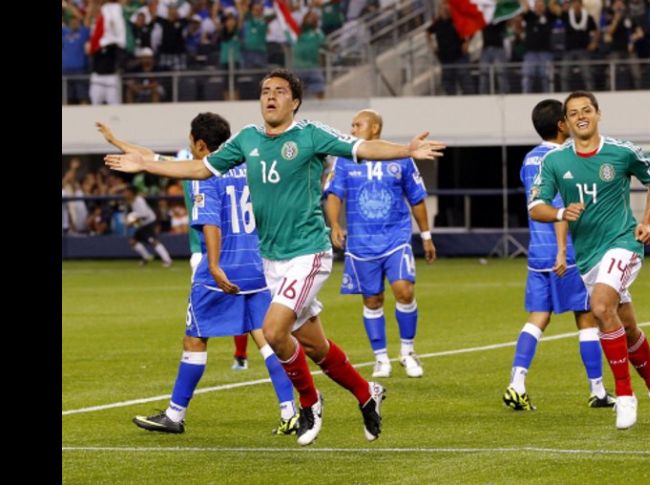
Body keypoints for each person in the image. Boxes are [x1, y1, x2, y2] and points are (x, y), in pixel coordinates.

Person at [104, 68, 445, 446]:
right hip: (271, 260)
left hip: (308, 253)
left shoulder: (310, 134)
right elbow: (200, 167)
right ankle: (367, 393)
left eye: (280, 91)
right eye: (266, 90)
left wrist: (406, 150)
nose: (270, 96)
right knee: (314, 346)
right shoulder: (247, 139)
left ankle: (309, 403)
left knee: (273, 331)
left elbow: (362, 148)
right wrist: (146, 165)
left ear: (294, 102)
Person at [119, 112, 300, 435]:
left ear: (200, 144)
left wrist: (214, 266)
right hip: (257, 267)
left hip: (222, 270)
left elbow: (211, 223)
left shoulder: (206, 174)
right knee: (267, 338)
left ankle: (175, 414)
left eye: (191, 141)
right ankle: (290, 410)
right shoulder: (251, 168)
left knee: (195, 337)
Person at [528, 90, 650, 430]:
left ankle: (624, 395)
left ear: (598, 114)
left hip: (624, 243)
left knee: (601, 307)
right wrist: (561, 212)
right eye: (573, 113)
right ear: (565, 123)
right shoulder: (555, 161)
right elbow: (536, 206)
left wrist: (647, 221)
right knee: (627, 327)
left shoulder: (622, 152)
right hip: (589, 255)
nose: (581, 116)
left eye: (587, 110)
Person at [97, 122, 250, 371]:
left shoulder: (191, 168)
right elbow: (147, 156)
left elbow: (148, 157)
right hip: (245, 250)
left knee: (197, 330)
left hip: (206, 251)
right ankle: (252, 362)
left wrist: (116, 142)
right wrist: (115, 141)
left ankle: (186, 393)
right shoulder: (241, 166)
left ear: (200, 144)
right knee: (252, 312)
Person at [503, 99, 614, 412]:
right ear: (561, 124)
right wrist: (563, 250)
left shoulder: (529, 159)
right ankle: (597, 390)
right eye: (569, 116)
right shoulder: (564, 158)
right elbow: (560, 207)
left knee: (538, 316)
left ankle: (516, 384)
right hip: (567, 253)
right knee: (586, 317)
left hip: (537, 251)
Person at [324, 109, 437, 380]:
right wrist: (335, 224)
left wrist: (426, 236)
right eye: (351, 125)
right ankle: (381, 358)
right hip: (361, 243)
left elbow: (416, 198)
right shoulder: (344, 159)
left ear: (374, 128)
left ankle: (407, 352)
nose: (352, 129)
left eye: (358, 125)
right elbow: (334, 194)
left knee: (404, 291)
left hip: (396, 238)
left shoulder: (401, 157)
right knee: (372, 299)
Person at [122, 185, 174, 267]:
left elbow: (144, 215)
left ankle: (167, 260)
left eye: (126, 191)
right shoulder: (132, 201)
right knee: (133, 242)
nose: (124, 193)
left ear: (131, 192)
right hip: (143, 224)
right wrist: (132, 221)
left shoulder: (139, 200)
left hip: (149, 223)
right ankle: (147, 257)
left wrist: (132, 222)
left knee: (153, 241)